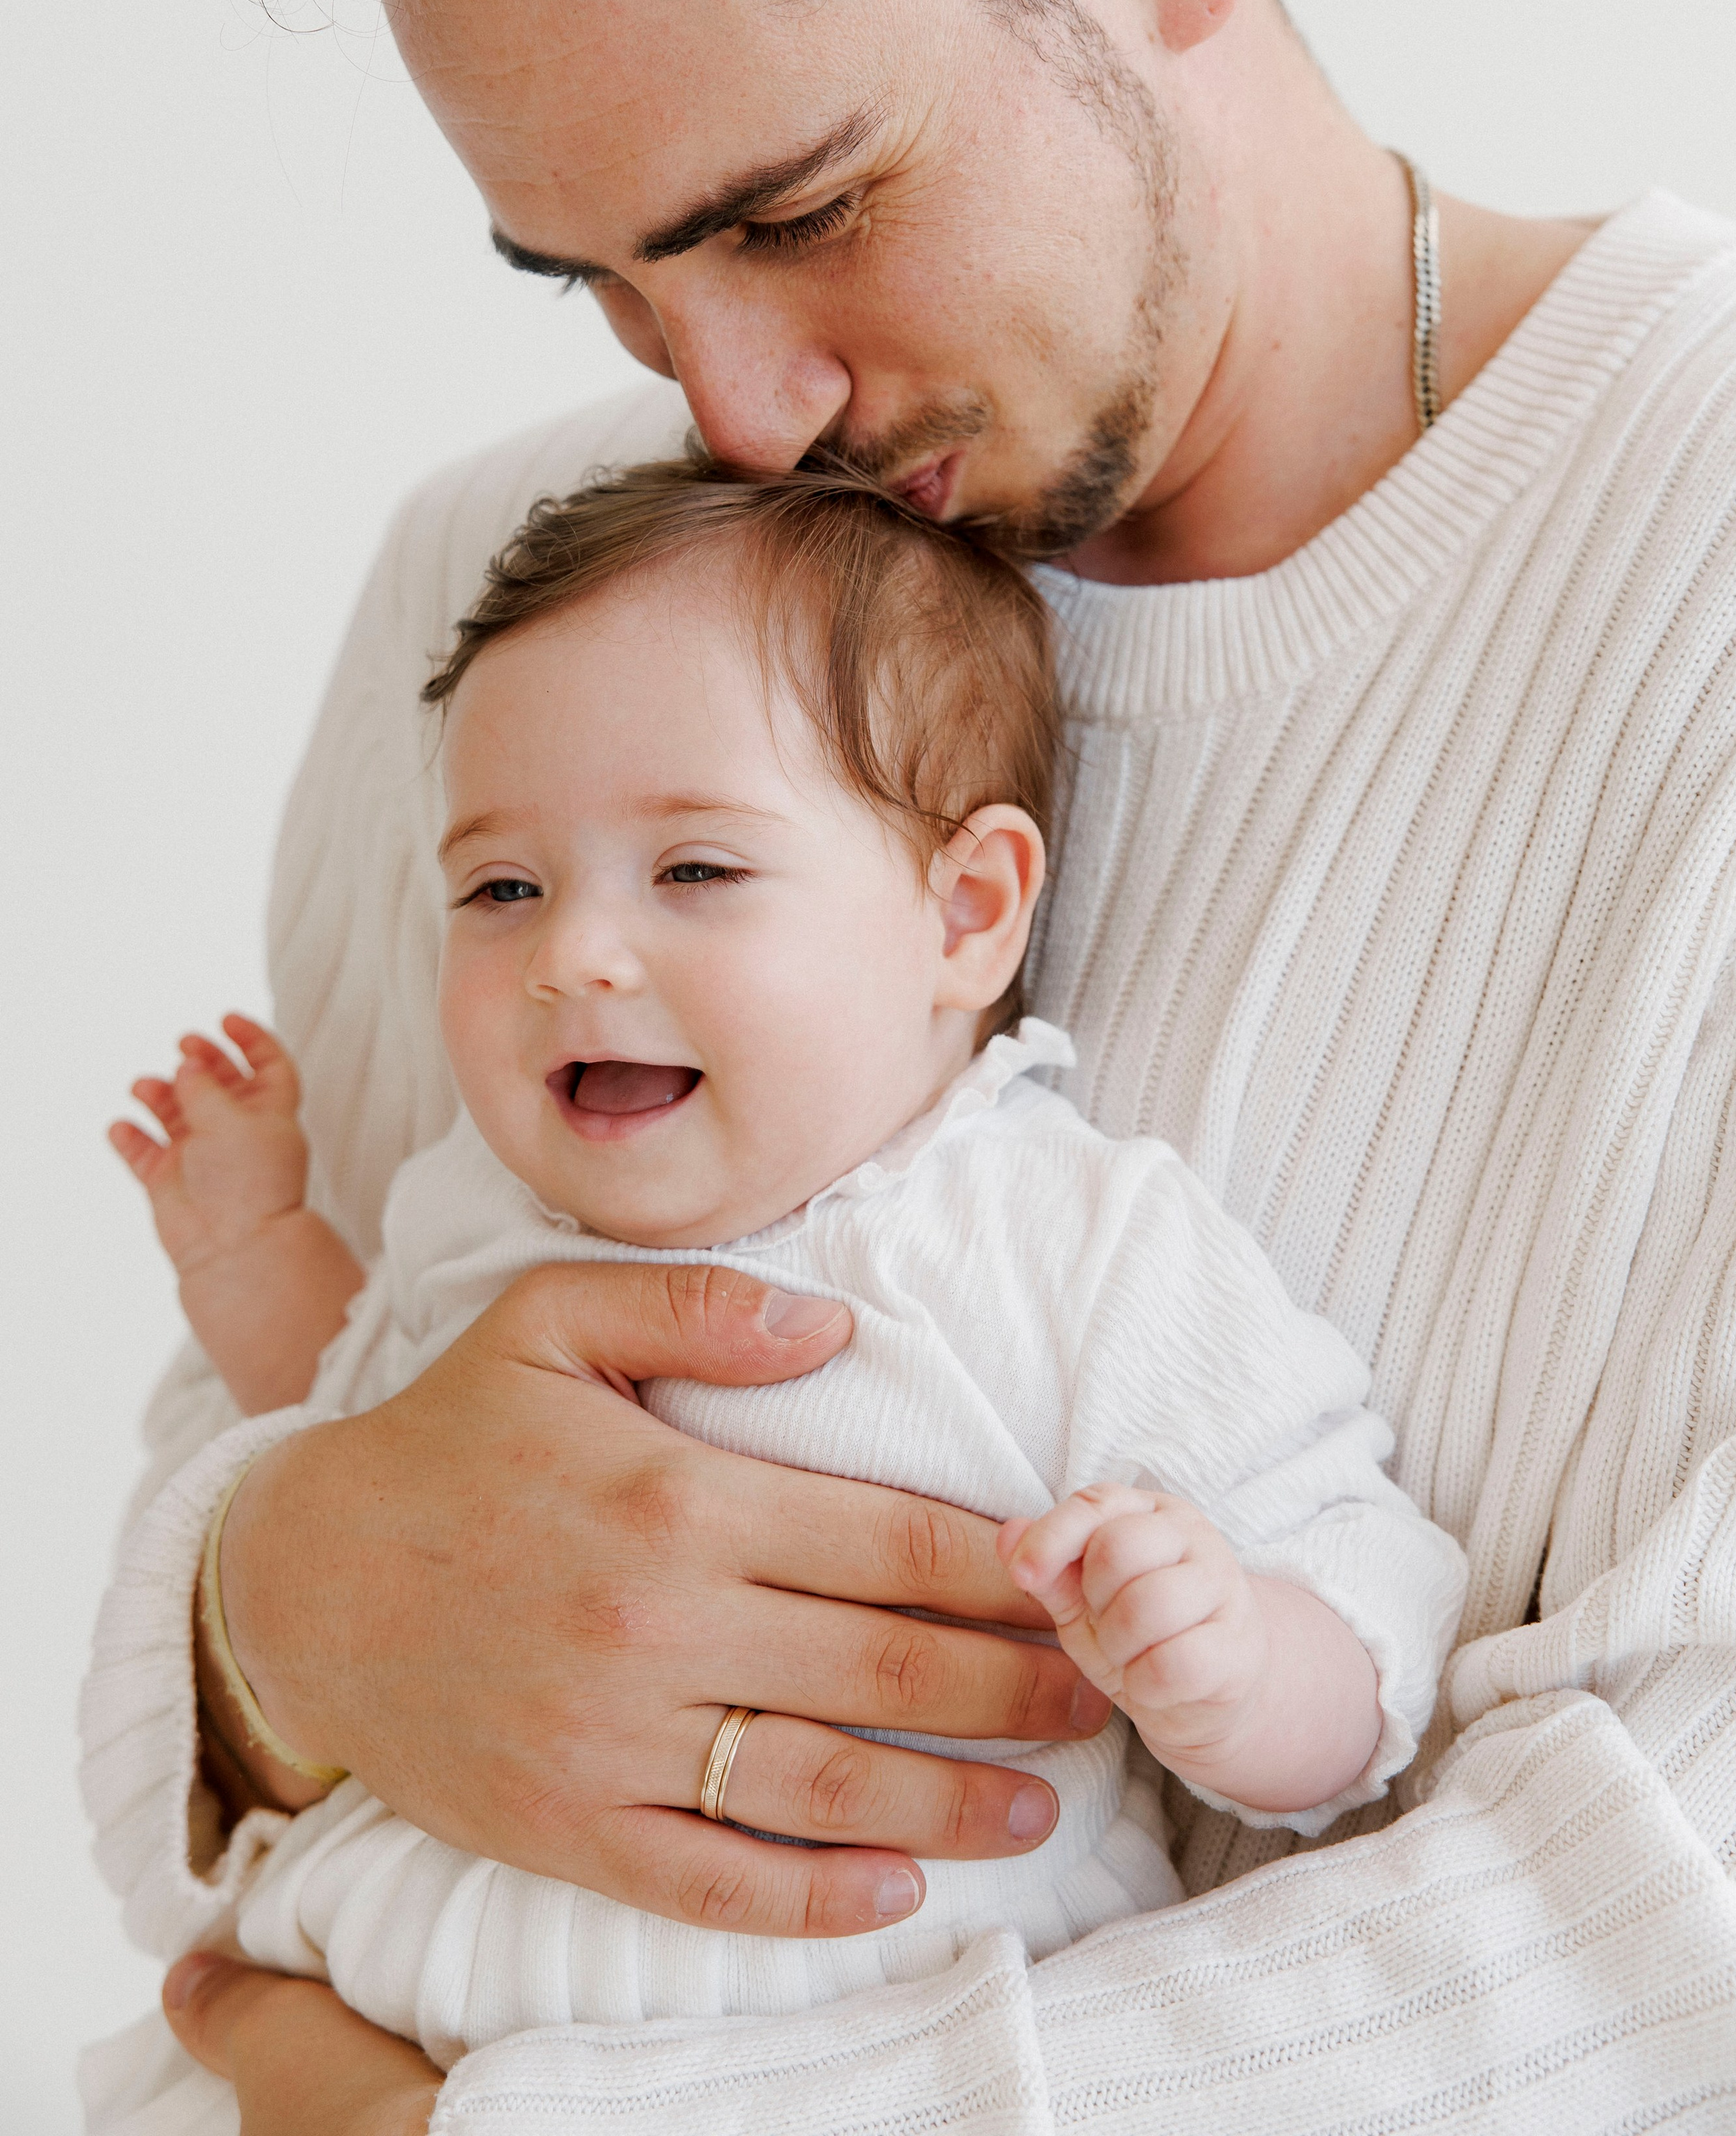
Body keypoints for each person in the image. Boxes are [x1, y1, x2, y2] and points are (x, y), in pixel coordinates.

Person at [83, 0, 1736, 2128]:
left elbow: (1714, 1908)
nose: (734, 413)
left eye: (801, 208)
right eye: (607, 279)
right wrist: (265, 1620)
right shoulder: (521, 605)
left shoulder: (1734, 571)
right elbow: (192, 1733)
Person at [101, 460, 1464, 2105]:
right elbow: (346, 1442)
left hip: (877, 2038)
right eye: (501, 889)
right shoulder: (474, 1209)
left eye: (694, 873)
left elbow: (1364, 1580)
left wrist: (1236, 1662)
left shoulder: (1057, 1237)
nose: (572, 957)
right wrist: (251, 1249)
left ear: (963, 912)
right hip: (386, 1997)